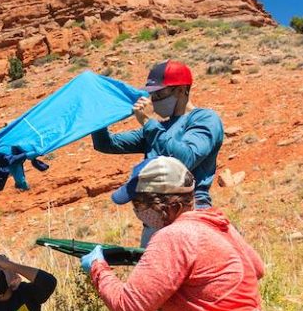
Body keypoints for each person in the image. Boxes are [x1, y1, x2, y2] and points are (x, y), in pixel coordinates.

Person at [80, 156, 303, 311]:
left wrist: (98, 268)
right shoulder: (218, 225)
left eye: (139, 205)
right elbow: (257, 268)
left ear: (160, 204)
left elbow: (128, 307)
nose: (138, 213)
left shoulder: (172, 236)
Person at [91, 60, 224, 245]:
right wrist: (99, 118)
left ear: (181, 89)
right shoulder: (158, 128)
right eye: (152, 94)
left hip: (190, 211)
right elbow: (106, 144)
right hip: (156, 215)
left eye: (160, 93)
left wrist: (147, 122)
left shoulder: (204, 119)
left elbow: (185, 159)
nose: (154, 100)